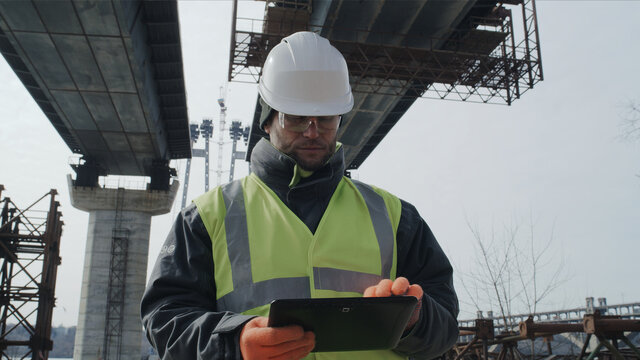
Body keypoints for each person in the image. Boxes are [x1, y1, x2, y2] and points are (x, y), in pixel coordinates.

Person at [141, 31, 459, 360]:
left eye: (325, 119)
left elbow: (445, 327)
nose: (312, 131)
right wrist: (234, 343)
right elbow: (165, 320)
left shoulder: (397, 218)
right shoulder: (207, 218)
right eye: (295, 118)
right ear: (267, 120)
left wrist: (414, 319)